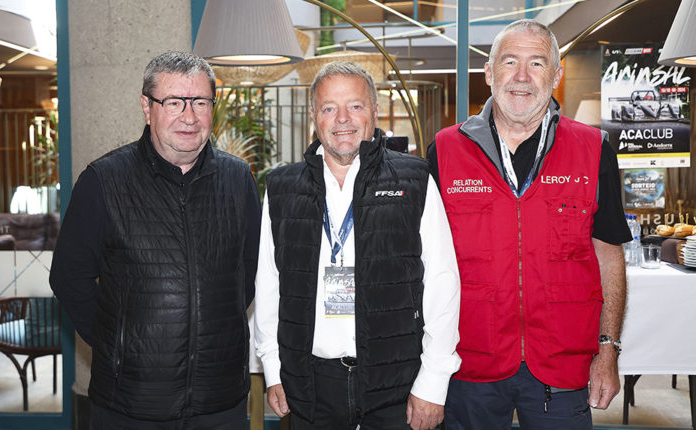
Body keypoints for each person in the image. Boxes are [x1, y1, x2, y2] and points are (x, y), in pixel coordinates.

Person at [427, 19, 631, 430]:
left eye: (537, 63)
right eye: (509, 62)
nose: (521, 76)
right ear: (489, 73)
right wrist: (429, 366)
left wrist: (607, 350)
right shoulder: (445, 150)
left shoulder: (593, 150)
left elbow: (609, 258)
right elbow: (426, 264)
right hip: (470, 363)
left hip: (561, 365)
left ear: (556, 77)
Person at [49, 51, 260, 429]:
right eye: (174, 102)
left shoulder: (238, 180)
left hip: (219, 402)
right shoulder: (103, 180)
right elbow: (69, 277)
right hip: (129, 404)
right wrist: (118, 344)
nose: (189, 116)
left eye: (201, 102)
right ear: (147, 107)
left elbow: (247, 275)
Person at [254, 61, 461, 430]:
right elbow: (268, 285)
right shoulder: (282, 187)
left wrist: (434, 380)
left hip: (398, 383)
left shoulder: (414, 179)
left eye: (355, 105)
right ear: (314, 116)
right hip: (311, 386)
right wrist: (273, 367)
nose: (342, 119)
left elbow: (442, 283)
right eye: (329, 108)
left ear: (374, 111)